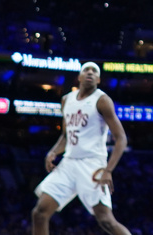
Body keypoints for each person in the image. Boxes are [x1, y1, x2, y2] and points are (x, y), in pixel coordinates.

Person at [32, 62, 131, 235]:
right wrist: (54, 151)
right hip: (69, 163)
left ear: (99, 79)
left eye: (95, 71)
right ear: (79, 77)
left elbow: (121, 138)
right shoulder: (66, 100)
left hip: (92, 164)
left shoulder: (102, 100)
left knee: (106, 221)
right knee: (39, 213)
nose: (90, 73)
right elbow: (65, 135)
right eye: (86, 70)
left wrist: (108, 170)